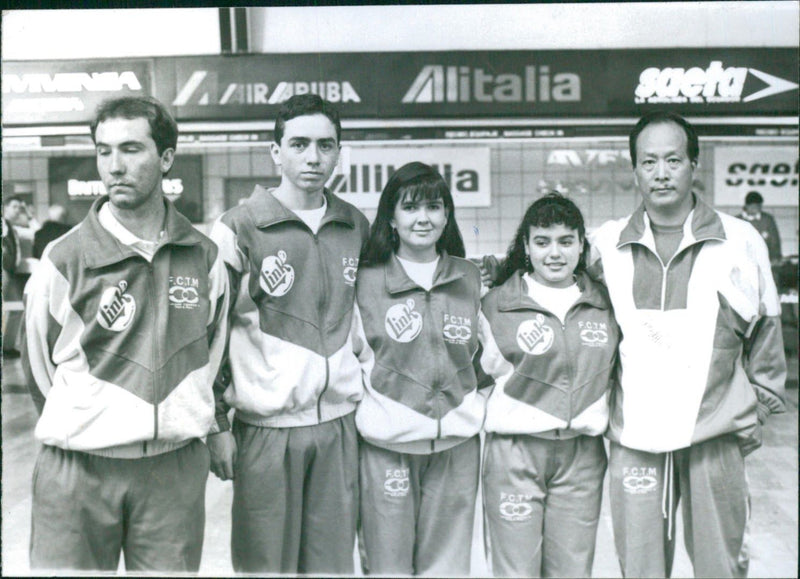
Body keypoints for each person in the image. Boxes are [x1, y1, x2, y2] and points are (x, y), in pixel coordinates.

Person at [22, 96, 229, 573]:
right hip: (78, 470)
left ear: (166, 158)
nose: (114, 166)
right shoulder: (63, 258)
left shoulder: (204, 256)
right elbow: (38, 365)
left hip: (172, 470)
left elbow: (212, 353)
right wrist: (88, 421)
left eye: (131, 149)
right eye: (103, 151)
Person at [588, 111, 786, 578]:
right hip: (635, 439)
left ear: (694, 165)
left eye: (673, 160)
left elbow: (768, 341)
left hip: (714, 440)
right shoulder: (606, 245)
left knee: (721, 568)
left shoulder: (740, 240)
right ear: (633, 169)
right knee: (639, 569)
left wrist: (748, 413)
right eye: (648, 161)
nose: (661, 173)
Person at [208, 93, 370, 574]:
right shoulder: (238, 228)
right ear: (276, 151)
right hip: (265, 431)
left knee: (331, 568)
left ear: (339, 152)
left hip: (339, 427)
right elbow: (209, 334)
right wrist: (216, 425)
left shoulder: (354, 224)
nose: (313, 157)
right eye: (299, 144)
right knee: (264, 567)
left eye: (326, 145)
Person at [351, 162, 486, 575]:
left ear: (447, 215)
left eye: (434, 206)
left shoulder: (471, 278)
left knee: (446, 569)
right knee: (387, 568)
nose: (423, 218)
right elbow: (348, 359)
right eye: (410, 208)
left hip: (457, 449)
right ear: (391, 216)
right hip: (387, 449)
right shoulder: (365, 281)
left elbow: (491, 359)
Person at [478, 193, 619, 578]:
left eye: (565, 241)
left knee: (572, 570)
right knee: (515, 571)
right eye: (542, 242)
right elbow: (472, 377)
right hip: (514, 455)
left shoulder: (606, 303)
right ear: (526, 246)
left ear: (580, 244)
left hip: (582, 457)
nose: (554, 253)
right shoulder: (494, 305)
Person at [737, 191, 782, 264]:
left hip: (765, 262)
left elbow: (775, 242)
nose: (756, 209)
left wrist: (775, 258)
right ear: (746, 206)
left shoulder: (768, 220)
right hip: (742, 262)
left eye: (758, 206)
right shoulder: (737, 220)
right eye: (753, 206)